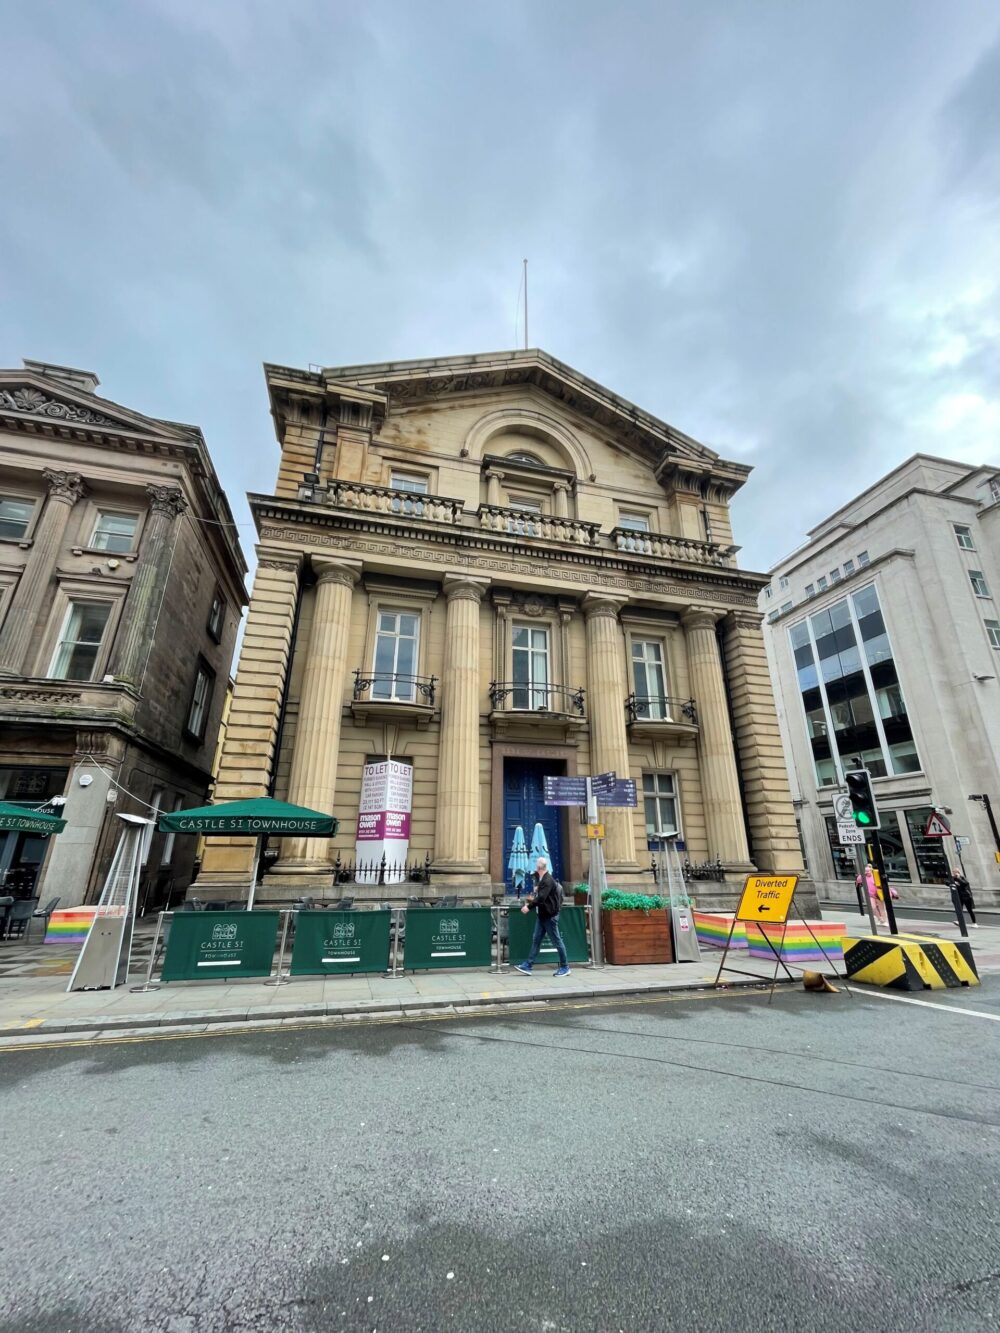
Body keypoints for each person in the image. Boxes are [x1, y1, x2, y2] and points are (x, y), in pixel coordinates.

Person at [514, 857, 570, 977]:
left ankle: (565, 967)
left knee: (557, 941)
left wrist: (528, 907)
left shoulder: (547, 880)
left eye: (536, 866)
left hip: (550, 916)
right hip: (543, 916)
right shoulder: (543, 880)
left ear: (539, 867)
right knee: (536, 939)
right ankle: (528, 965)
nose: (535, 868)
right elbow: (543, 895)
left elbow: (541, 899)